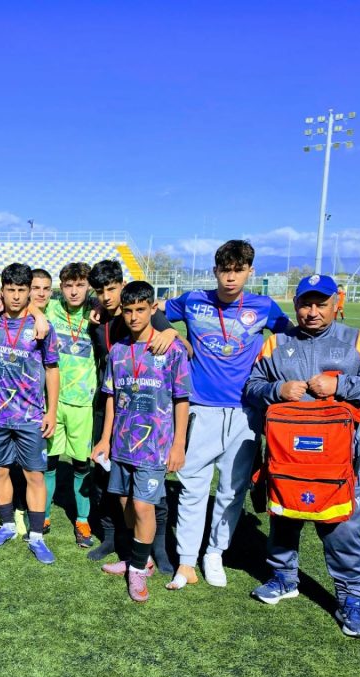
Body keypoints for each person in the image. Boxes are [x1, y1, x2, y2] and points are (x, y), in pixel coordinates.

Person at [245, 274, 360, 638]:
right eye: (305, 304)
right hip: (287, 458)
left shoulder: (355, 340)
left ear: (335, 304)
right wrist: (278, 389)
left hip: (337, 461)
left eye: (321, 304)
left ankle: (351, 599)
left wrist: (341, 384)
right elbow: (252, 386)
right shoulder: (277, 342)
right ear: (296, 304)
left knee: (343, 528)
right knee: (283, 519)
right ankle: (283, 578)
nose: (312, 312)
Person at [161, 240, 290, 590]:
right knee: (192, 487)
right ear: (215, 271)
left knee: (232, 490)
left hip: (246, 413)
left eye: (238, 270)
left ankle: (215, 553)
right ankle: (187, 560)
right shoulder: (193, 301)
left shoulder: (264, 307)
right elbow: (154, 312)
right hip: (200, 409)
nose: (231, 277)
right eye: (225, 270)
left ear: (250, 271)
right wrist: (171, 331)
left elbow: (292, 338)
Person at [91, 281, 191, 601]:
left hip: (154, 445)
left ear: (152, 309)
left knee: (143, 505)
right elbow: (111, 397)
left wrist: (178, 445)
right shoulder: (118, 350)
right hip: (122, 443)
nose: (134, 317)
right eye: (128, 310)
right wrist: (104, 439)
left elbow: (181, 400)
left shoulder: (170, 349)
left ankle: (136, 571)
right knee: (125, 504)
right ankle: (141, 559)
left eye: (140, 310)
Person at [0, 263, 61, 564]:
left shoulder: (42, 327)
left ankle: (37, 535)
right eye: (10, 290)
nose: (15, 296)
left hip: (30, 414)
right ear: (1, 290)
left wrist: (51, 411)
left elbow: (52, 370)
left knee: (34, 475)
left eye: (21, 290)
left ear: (29, 291)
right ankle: (7, 524)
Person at [42, 262, 98, 546]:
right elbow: (25, 304)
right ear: (60, 288)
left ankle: (83, 520)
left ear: (88, 286)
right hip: (52, 401)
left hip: (83, 404)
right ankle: (43, 515)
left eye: (80, 285)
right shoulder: (51, 309)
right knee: (49, 461)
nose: (74, 291)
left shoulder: (96, 313)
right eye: (68, 286)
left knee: (81, 464)